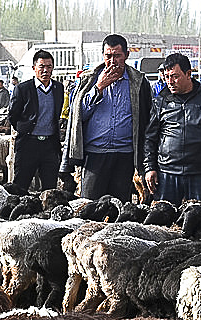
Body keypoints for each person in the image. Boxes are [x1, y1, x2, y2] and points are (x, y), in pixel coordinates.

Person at [61, 33, 152, 201]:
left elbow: (146, 119)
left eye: (117, 56)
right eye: (108, 56)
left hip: (124, 155)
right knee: (90, 207)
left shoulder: (138, 83)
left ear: (126, 55)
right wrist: (99, 87)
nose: (112, 61)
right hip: (95, 155)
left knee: (120, 207)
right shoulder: (89, 80)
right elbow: (78, 116)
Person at [143, 53, 201, 211]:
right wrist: (149, 168)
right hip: (167, 172)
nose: (170, 82)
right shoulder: (160, 101)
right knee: (163, 220)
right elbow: (150, 138)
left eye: (175, 76)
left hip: (200, 172)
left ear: (188, 74)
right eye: (167, 77)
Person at [7, 50, 65, 191]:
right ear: (34, 68)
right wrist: (25, 129)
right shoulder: (23, 89)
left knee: (50, 189)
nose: (45, 70)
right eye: (41, 66)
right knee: (20, 186)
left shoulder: (58, 88)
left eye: (49, 66)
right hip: (28, 144)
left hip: (50, 145)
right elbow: (13, 116)